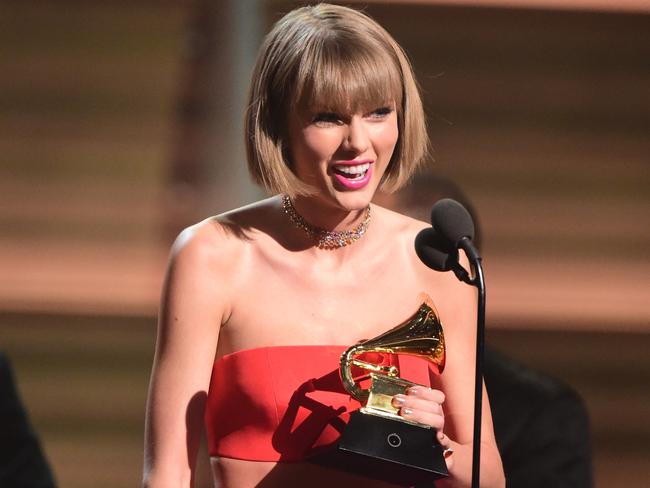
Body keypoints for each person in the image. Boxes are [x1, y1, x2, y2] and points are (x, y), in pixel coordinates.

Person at [143, 4, 505, 488]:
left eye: (379, 113)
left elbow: (489, 476)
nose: (358, 142)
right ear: (278, 125)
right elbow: (167, 473)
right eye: (329, 118)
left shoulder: (435, 260)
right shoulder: (212, 255)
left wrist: (430, 443)